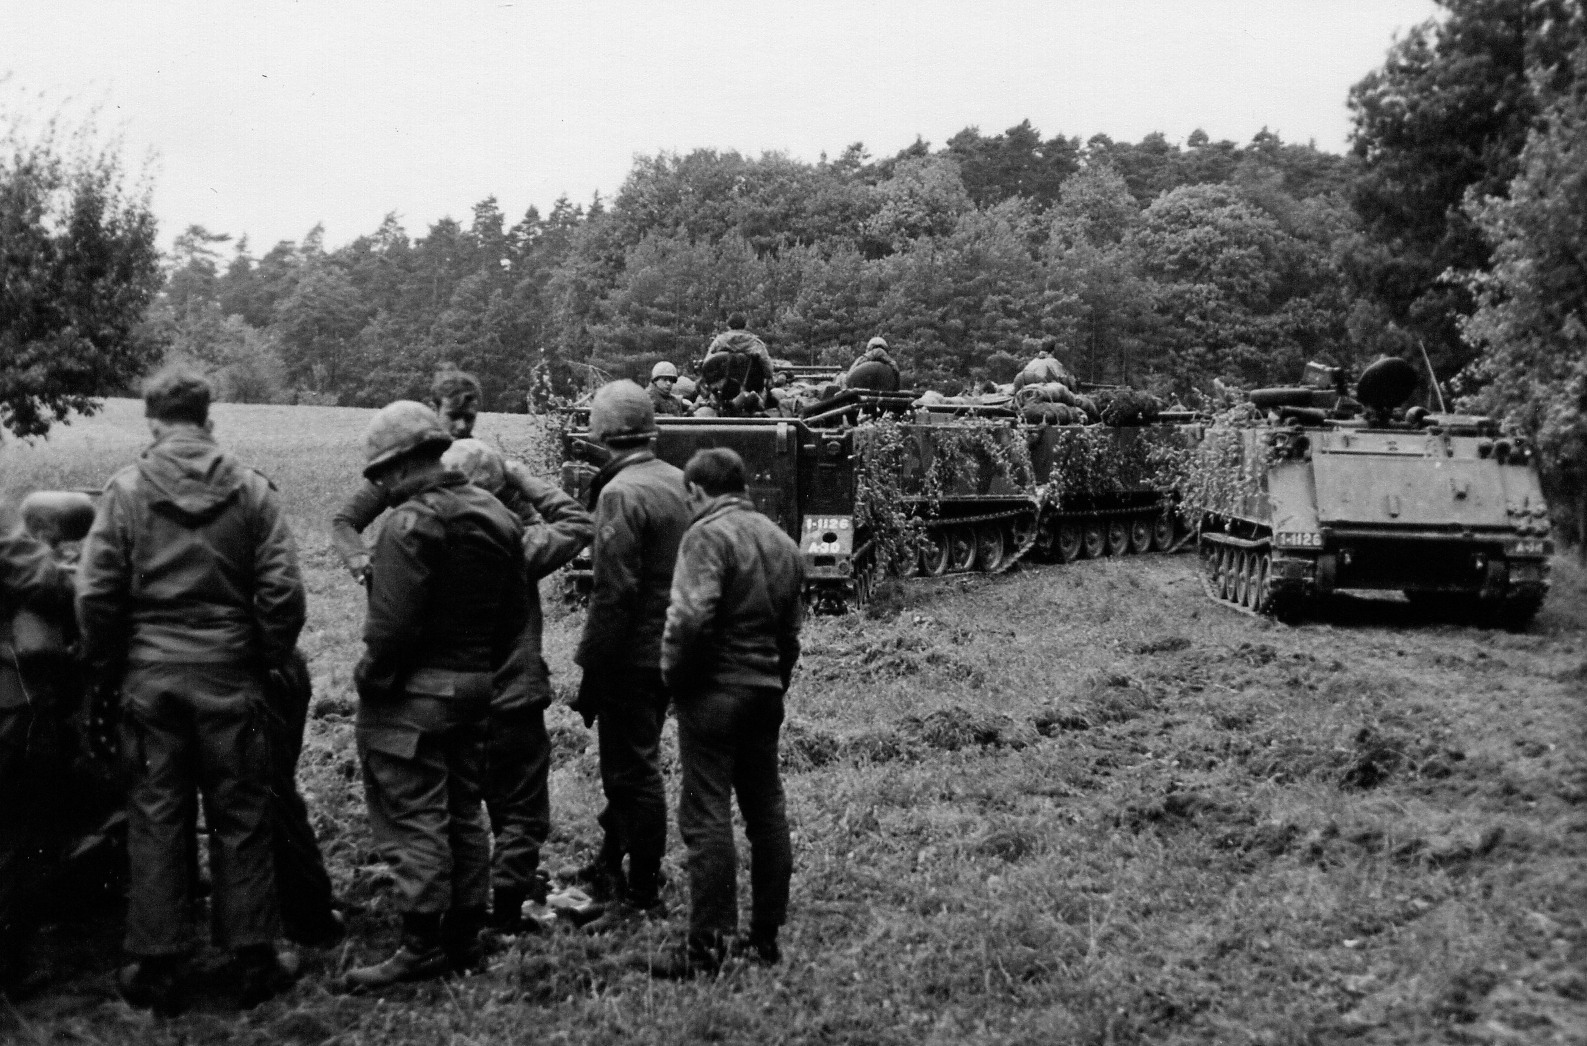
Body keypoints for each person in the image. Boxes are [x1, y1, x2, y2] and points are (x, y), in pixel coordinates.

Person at [76, 368, 306, 1012]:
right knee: (242, 812)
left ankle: (156, 964)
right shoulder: (253, 491)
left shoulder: (123, 492)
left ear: (152, 419)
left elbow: (95, 594)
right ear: (209, 418)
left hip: (149, 682)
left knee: (155, 814)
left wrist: (111, 664)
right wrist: (260, 658)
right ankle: (254, 957)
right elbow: (283, 594)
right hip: (232, 676)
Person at [342, 403, 528, 988]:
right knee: (463, 810)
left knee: (412, 814)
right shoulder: (496, 515)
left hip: (412, 697)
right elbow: (513, 615)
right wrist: (479, 670)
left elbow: (390, 628)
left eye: (382, 475)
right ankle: (465, 936)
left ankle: (422, 945)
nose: (382, 486)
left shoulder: (408, 524)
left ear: (398, 467)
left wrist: (371, 680)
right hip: (475, 687)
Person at [649, 448, 803, 978]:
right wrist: (774, 684)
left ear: (696, 491)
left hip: (714, 693)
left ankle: (707, 949)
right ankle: (765, 939)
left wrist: (675, 679)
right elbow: (790, 636)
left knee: (706, 815)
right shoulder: (782, 541)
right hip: (764, 691)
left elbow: (689, 618)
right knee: (765, 810)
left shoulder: (706, 535)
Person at [439, 439, 593, 934]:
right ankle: (508, 912)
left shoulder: (417, 539)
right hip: (512, 700)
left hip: (448, 701)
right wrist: (524, 479)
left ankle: (458, 908)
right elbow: (575, 523)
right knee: (521, 812)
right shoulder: (512, 548)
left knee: (458, 813)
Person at [570, 381, 690, 930]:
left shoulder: (620, 493)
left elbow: (612, 591)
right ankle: (607, 863)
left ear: (601, 433)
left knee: (631, 772)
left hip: (632, 656)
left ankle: (641, 892)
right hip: (673, 648)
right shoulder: (679, 480)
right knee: (633, 763)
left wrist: (591, 665)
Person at [331, 369, 524, 582]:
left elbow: (525, 522)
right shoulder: (407, 461)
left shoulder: (486, 461)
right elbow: (345, 521)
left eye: (469, 418)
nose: (461, 426)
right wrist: (358, 557)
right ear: (434, 409)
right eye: (453, 416)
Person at [0, 497, 78, 995]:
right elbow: (43, 602)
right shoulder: (18, 554)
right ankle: (8, 969)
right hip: (10, 711)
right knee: (16, 838)